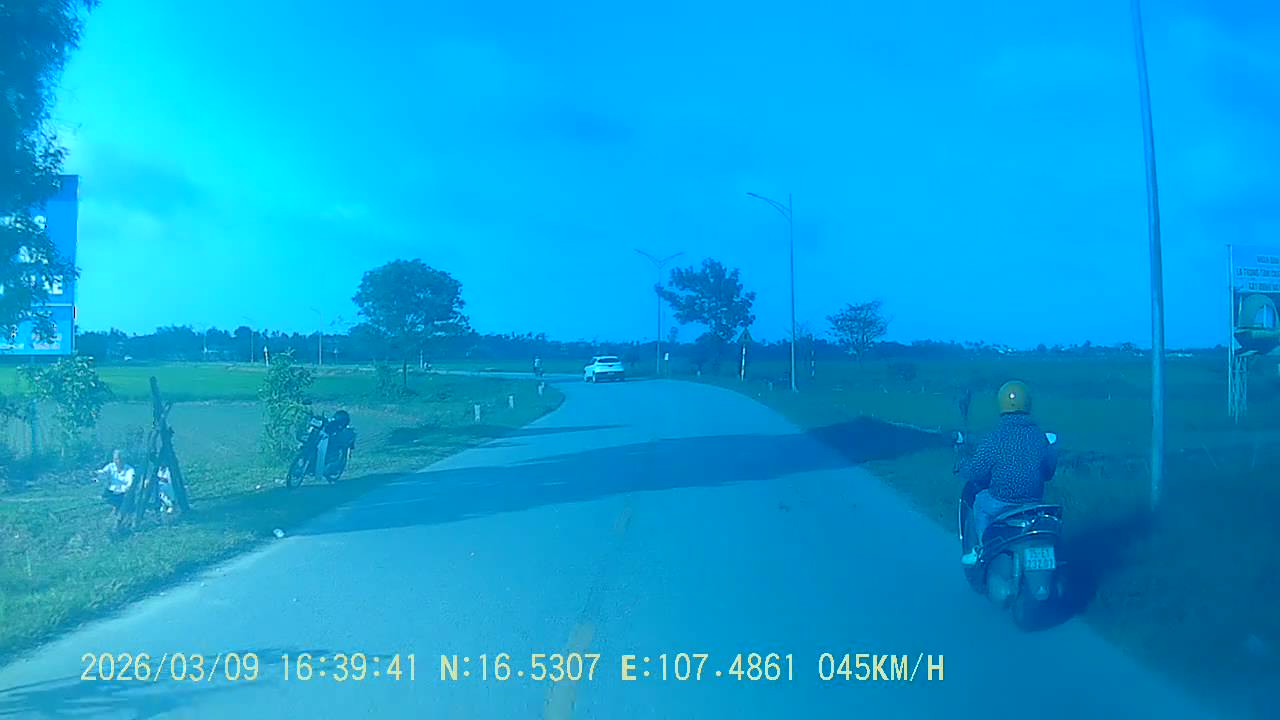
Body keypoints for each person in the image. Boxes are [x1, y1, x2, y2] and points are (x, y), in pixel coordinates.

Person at [957, 380, 1057, 566]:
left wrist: (961, 467)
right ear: (1028, 403)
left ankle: (982, 550)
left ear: (1001, 403)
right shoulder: (1040, 437)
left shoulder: (994, 438)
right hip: (1033, 504)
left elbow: (976, 472)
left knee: (980, 504)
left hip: (1001, 501)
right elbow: (1049, 473)